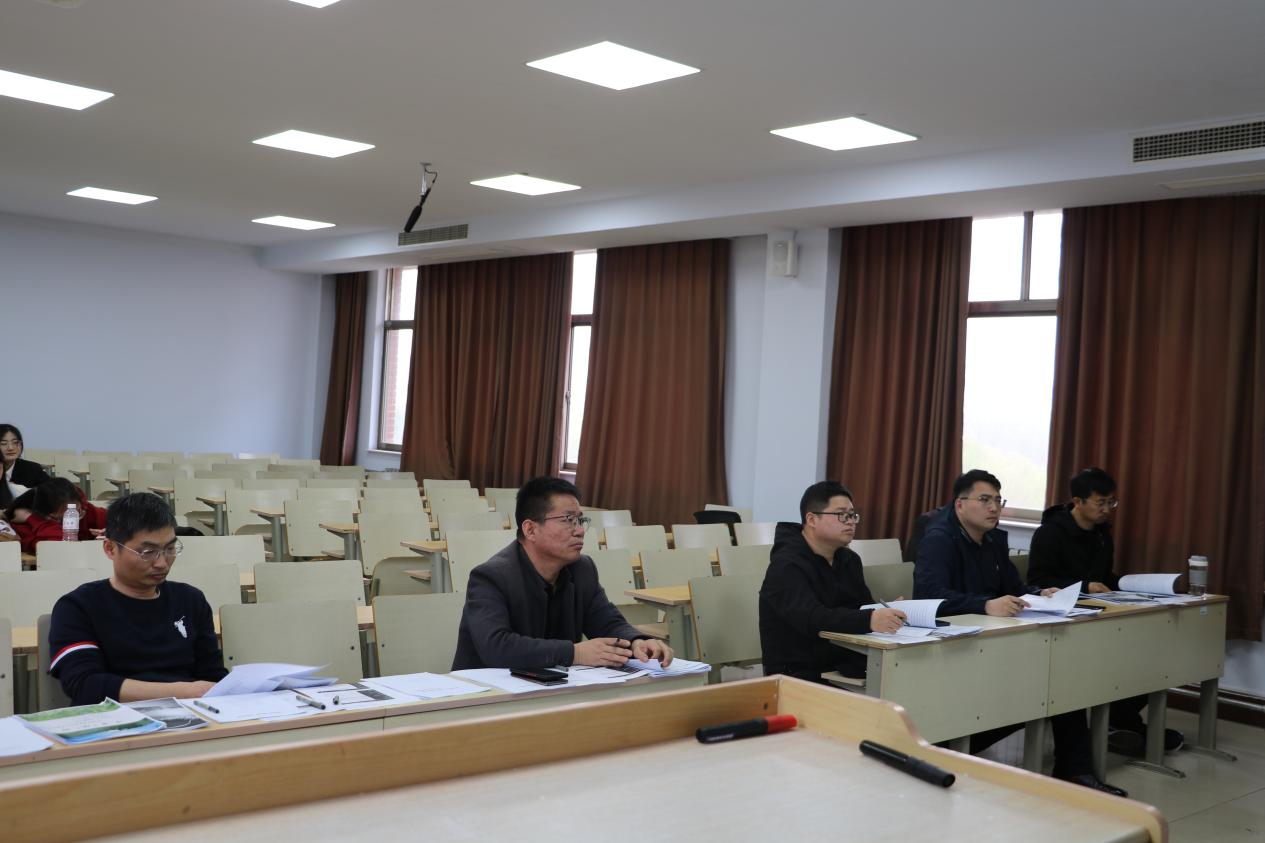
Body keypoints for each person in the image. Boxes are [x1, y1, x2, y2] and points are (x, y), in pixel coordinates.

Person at [914, 469, 1127, 797]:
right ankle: (943, 745)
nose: (994, 508)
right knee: (1033, 691)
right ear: (960, 504)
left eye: (998, 501)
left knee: (1057, 673)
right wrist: (986, 604)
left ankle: (1075, 770)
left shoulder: (993, 541)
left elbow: (1013, 586)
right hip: (953, 645)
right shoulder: (939, 540)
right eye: (985, 500)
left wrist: (1040, 594)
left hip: (993, 638)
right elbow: (929, 596)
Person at [1028, 467, 1183, 753]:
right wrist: (1085, 585)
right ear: (1078, 501)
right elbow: (1038, 580)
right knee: (1109, 660)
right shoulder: (1050, 533)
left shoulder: (1101, 535)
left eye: (1111, 502)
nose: (1107, 509)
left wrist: (1131, 586)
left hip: (1102, 612)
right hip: (1066, 618)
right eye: (1100, 502)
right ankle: (1117, 724)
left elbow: (1104, 576)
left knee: (1149, 656)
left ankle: (1121, 719)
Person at [452, 476, 674, 671]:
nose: (579, 530)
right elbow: (497, 647)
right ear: (530, 529)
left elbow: (607, 622)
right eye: (568, 520)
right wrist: (575, 653)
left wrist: (636, 642)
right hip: (489, 694)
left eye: (580, 520)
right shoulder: (490, 577)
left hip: (554, 688)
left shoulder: (582, 569)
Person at [48, 492, 227, 706]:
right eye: (148, 552)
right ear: (110, 548)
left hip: (192, 714)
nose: (162, 563)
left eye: (170, 549)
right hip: (112, 720)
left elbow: (213, 675)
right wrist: (184, 691)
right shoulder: (78, 606)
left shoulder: (190, 600)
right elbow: (86, 685)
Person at [759, 481, 906, 683]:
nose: (850, 522)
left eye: (853, 515)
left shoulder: (849, 560)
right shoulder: (786, 565)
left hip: (841, 658)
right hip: (797, 671)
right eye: (841, 515)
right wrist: (869, 619)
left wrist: (885, 612)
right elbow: (811, 617)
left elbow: (860, 606)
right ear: (812, 519)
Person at [8, 478, 108, 554]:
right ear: (46, 515)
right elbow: (60, 548)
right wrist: (34, 520)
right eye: (66, 517)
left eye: (77, 513)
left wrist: (109, 533)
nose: (74, 520)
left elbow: (115, 521)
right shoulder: (24, 524)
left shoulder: (85, 509)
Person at [0, 423, 51, 505]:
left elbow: (53, 491)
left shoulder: (32, 469)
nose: (10, 448)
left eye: (15, 442)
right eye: (3, 443)